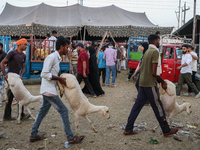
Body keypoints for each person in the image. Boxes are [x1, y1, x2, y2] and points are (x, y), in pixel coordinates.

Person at [29, 36, 85, 143]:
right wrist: (59, 78)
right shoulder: (52, 57)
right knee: (64, 110)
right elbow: (44, 74)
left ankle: (33, 134)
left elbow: (52, 74)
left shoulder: (57, 58)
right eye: (66, 47)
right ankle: (70, 137)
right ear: (61, 47)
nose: (68, 49)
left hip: (48, 90)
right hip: (49, 91)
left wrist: (60, 81)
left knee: (42, 112)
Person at [124, 34, 178, 137]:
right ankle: (166, 130)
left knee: (137, 107)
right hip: (149, 84)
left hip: (142, 83)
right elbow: (154, 72)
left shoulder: (147, 52)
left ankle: (128, 128)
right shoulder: (154, 51)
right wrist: (163, 82)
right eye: (158, 40)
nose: (159, 42)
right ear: (155, 41)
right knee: (158, 107)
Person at [1, 38, 30, 121]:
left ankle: (7, 116)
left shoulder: (23, 56)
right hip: (11, 77)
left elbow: (23, 68)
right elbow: (2, 63)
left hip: (17, 78)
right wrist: (5, 75)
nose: (26, 46)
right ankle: (18, 115)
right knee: (18, 96)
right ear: (20, 44)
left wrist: (21, 75)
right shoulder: (12, 53)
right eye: (25, 44)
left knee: (13, 96)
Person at [0, 43, 7, 107]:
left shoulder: (4, 54)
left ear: (1, 47)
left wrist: (2, 71)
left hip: (2, 73)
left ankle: (0, 102)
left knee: (2, 87)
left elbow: (5, 64)